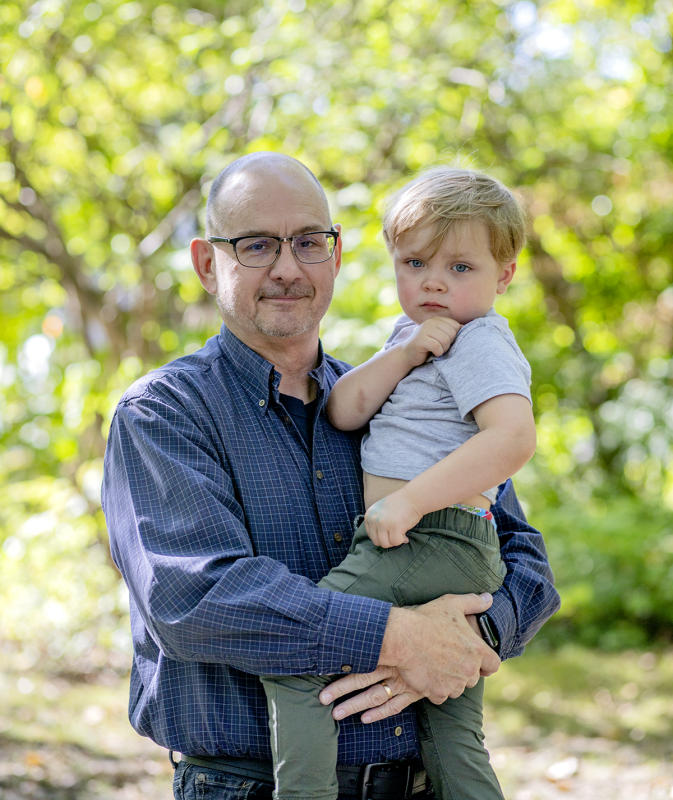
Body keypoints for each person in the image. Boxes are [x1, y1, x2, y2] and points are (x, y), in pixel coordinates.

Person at [101, 152, 560, 800]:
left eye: (308, 243)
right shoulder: (164, 414)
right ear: (208, 263)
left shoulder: (402, 393)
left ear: (336, 257)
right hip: (249, 787)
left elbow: (520, 557)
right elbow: (196, 600)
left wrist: (462, 639)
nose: (287, 269)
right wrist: (396, 640)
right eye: (256, 245)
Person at [261, 166, 536, 800]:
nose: (434, 281)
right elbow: (344, 410)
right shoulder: (414, 338)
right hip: (447, 546)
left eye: (461, 268)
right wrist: (406, 352)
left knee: (299, 657)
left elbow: (513, 439)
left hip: (426, 537)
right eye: (414, 263)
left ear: (505, 274)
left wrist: (408, 501)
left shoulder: (480, 339)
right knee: (450, 722)